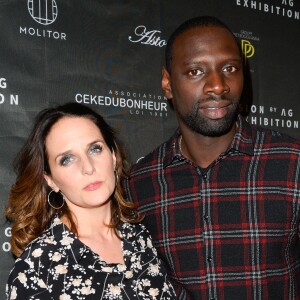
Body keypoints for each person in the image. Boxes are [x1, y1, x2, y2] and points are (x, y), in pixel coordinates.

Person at [124, 16, 300, 299]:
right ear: (167, 84)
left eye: (230, 68)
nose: (218, 86)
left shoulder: (292, 164)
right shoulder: (138, 185)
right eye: (195, 71)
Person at [5, 102, 177, 299]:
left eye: (95, 149)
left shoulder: (140, 238)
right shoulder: (35, 268)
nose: (88, 167)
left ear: (113, 156)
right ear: (51, 180)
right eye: (67, 159)